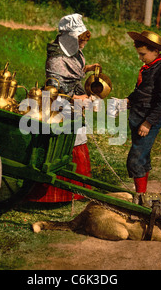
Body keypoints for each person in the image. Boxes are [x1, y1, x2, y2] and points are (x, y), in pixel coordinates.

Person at [27, 13, 100, 203]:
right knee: (62, 141)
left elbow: (73, 74)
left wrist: (88, 69)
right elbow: (58, 88)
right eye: (79, 39)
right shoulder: (56, 59)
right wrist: (78, 97)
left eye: (83, 40)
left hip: (71, 102)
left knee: (77, 135)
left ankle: (77, 191)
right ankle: (53, 196)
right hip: (56, 104)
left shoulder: (73, 52)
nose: (82, 44)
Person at [125, 30, 161, 196]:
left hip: (147, 122)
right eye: (139, 54)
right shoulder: (149, 68)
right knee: (143, 158)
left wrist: (148, 122)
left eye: (143, 54)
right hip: (137, 118)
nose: (141, 58)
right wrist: (129, 100)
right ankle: (143, 194)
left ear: (155, 51)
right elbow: (143, 91)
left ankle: (139, 198)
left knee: (135, 160)